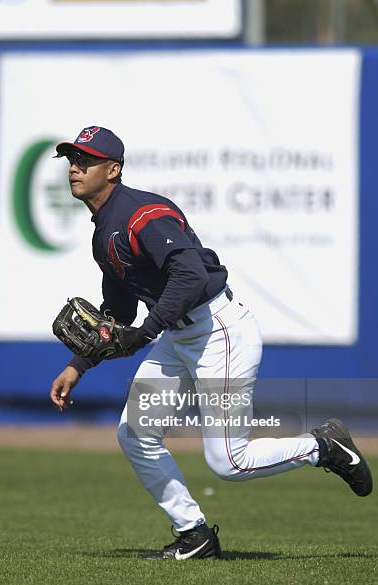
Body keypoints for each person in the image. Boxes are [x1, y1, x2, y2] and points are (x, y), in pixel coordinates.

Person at [50, 126, 372, 561]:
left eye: (85, 160)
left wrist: (146, 334)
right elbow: (119, 309)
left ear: (113, 169)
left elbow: (192, 276)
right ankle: (194, 534)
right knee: (135, 432)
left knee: (229, 463)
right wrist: (77, 365)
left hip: (217, 331)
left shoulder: (143, 214)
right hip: (179, 337)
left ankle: (322, 445)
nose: (75, 168)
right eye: (72, 159)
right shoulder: (103, 231)